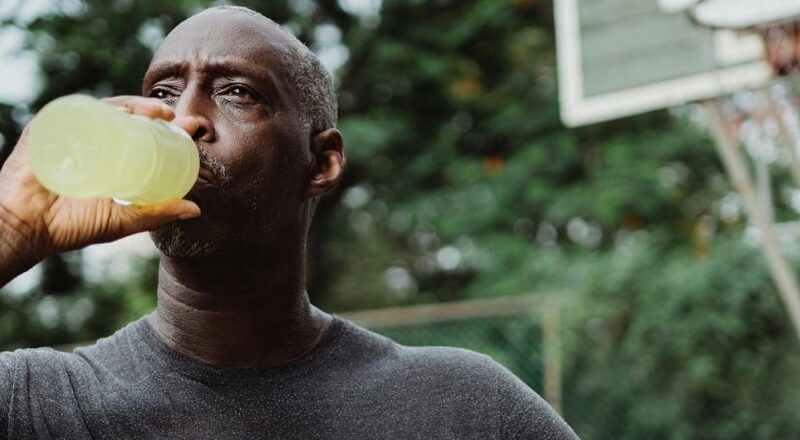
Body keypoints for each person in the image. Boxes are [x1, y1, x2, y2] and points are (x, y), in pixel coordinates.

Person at [0, 5, 578, 439]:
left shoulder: (462, 407)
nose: (185, 120)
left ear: (322, 162)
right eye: (164, 93)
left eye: (235, 92)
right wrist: (7, 229)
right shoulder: (40, 404)